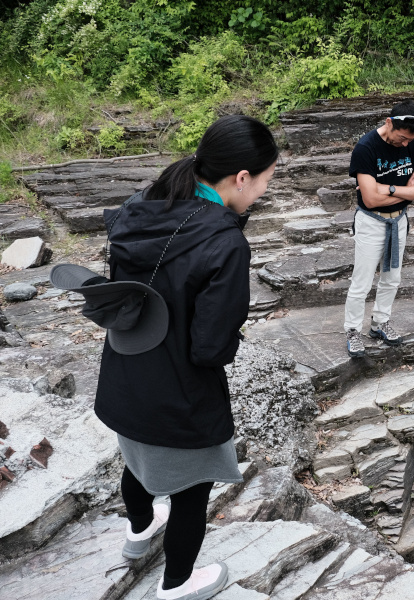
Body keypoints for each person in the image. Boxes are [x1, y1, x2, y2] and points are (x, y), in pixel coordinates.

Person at [95, 115, 277, 600]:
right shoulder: (224, 242)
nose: (263, 191)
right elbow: (211, 348)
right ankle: (176, 585)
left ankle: (137, 537)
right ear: (241, 178)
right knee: (191, 493)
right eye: (265, 180)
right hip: (179, 394)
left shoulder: (144, 204)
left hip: (124, 375)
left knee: (135, 462)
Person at [343, 101, 414, 357]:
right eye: (401, 138)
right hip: (371, 221)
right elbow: (369, 200)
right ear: (389, 123)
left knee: (392, 277)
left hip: (399, 220)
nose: (405, 145)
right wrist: (406, 192)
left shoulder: (413, 143)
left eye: (410, 140)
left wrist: (387, 189)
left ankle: (380, 322)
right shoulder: (366, 148)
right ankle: (352, 331)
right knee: (362, 280)